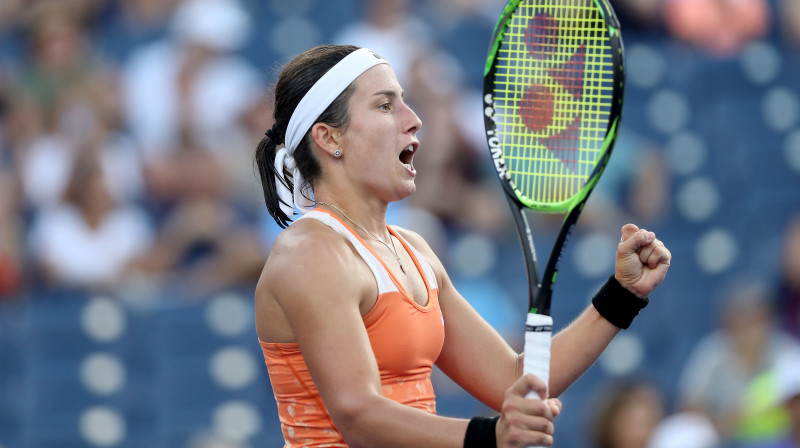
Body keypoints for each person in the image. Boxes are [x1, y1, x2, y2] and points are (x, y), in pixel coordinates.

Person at [253, 44, 672, 447]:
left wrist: (623, 293)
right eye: (385, 105)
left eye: (405, 101)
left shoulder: (415, 250)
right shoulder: (310, 252)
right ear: (329, 139)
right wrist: (489, 437)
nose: (413, 119)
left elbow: (514, 378)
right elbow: (359, 415)